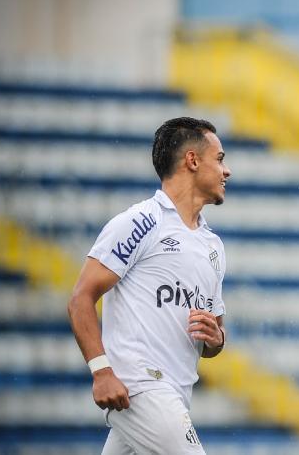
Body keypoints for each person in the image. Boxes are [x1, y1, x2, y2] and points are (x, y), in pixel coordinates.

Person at [66, 117, 231, 454]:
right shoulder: (142, 222)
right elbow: (81, 297)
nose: (226, 171)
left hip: (170, 395)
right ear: (192, 160)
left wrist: (217, 339)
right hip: (141, 386)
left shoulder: (212, 246)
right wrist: (101, 372)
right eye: (220, 159)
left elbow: (215, 337)